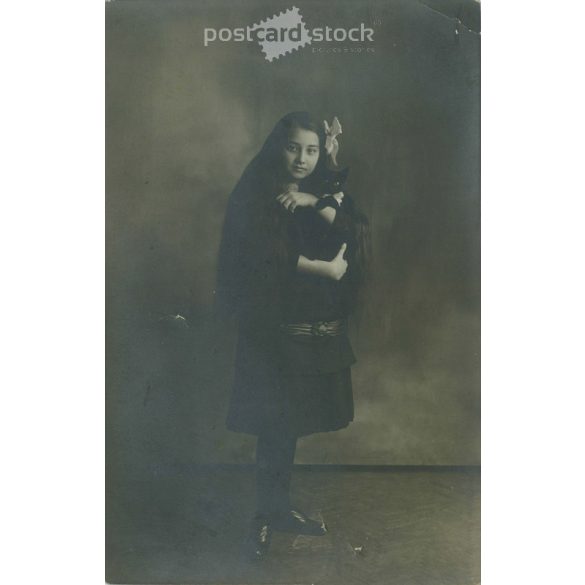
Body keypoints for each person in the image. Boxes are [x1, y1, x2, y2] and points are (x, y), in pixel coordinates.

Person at [215, 111, 369, 559]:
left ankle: (278, 509)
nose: (302, 159)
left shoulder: (317, 190)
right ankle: (262, 518)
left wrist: (312, 200)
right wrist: (323, 268)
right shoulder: (256, 189)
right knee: (273, 425)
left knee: (289, 425)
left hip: (309, 331)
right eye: (293, 147)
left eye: (313, 150)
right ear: (277, 146)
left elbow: (348, 228)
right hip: (272, 331)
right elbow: (258, 258)